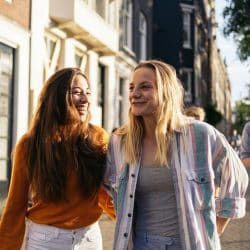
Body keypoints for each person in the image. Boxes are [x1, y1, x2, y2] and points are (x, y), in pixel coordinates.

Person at [104, 60, 248, 250]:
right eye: (132, 88)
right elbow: (110, 189)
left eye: (145, 87)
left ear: (166, 91)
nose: (134, 94)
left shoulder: (201, 135)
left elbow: (237, 178)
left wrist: (215, 228)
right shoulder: (120, 142)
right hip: (139, 244)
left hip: (190, 244)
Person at [0, 68, 115, 250]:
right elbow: (15, 206)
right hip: (46, 241)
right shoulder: (31, 144)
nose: (85, 99)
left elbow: (103, 193)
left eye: (88, 93)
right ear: (58, 96)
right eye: (77, 92)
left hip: (89, 239)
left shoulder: (98, 137)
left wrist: (130, 222)